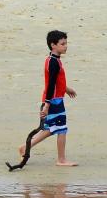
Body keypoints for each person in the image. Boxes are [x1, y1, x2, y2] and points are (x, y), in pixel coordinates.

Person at [17, 30, 78, 166]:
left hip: (55, 98)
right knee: (61, 128)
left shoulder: (54, 60)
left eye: (66, 43)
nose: (66, 46)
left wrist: (66, 89)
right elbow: (50, 85)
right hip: (54, 100)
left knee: (51, 128)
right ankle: (61, 160)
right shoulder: (53, 63)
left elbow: (56, 81)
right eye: (62, 44)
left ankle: (25, 147)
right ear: (53, 45)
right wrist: (47, 105)